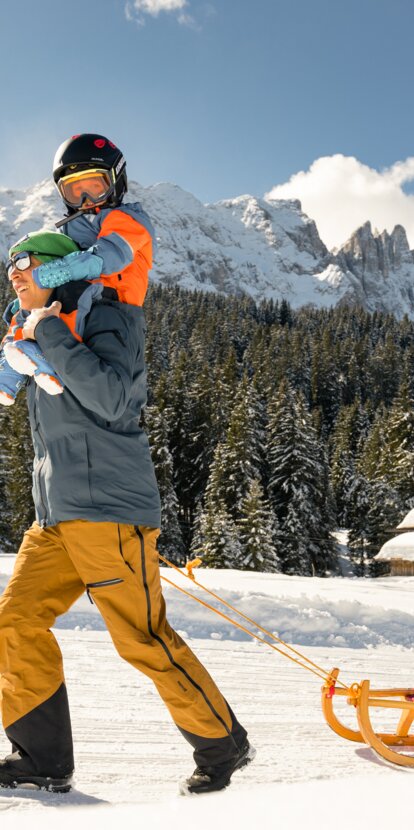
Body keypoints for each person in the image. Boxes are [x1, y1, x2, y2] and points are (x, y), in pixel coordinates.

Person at [0, 232, 254, 795]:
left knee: (141, 637)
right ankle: (41, 759)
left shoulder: (106, 318)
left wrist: (51, 334)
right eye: (10, 265)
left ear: (61, 269)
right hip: (55, 518)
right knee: (14, 623)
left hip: (109, 512)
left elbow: (115, 399)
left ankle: (223, 744)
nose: (14, 272)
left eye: (27, 263)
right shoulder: (31, 329)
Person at [0, 133, 155, 405]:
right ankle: (9, 373)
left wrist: (64, 270)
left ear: (116, 181)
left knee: (70, 297)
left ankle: (45, 358)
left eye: (95, 187)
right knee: (26, 309)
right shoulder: (75, 231)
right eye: (74, 190)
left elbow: (110, 255)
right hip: (90, 295)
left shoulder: (129, 219)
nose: (85, 199)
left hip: (115, 301)